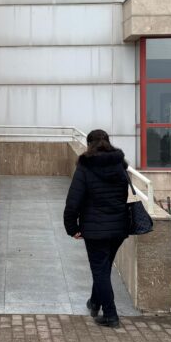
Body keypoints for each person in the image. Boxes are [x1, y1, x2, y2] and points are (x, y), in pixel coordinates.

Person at [63, 129, 130, 328]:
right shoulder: (120, 165)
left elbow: (73, 201)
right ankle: (94, 303)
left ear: (89, 144)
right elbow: (125, 195)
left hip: (95, 229)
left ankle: (111, 315)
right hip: (118, 227)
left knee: (100, 270)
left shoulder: (85, 166)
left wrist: (71, 227)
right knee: (103, 268)